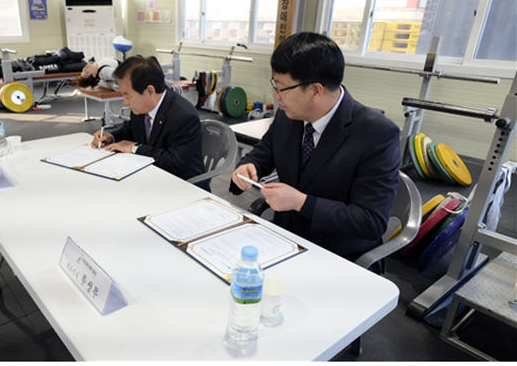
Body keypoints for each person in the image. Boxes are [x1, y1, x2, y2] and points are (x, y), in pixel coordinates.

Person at [230, 32, 401, 273]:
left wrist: (302, 203)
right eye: (274, 85)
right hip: (284, 239)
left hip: (338, 255)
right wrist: (249, 167)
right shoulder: (288, 115)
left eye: (281, 88)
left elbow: (370, 221)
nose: (276, 96)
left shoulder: (377, 134)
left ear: (315, 90)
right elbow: (264, 151)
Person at [91, 56, 210, 191]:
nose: (125, 101)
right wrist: (111, 137)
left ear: (150, 91)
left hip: (182, 187)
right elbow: (131, 130)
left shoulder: (184, 117)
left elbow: (174, 163)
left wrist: (135, 148)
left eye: (128, 96)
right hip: (151, 177)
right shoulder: (142, 106)